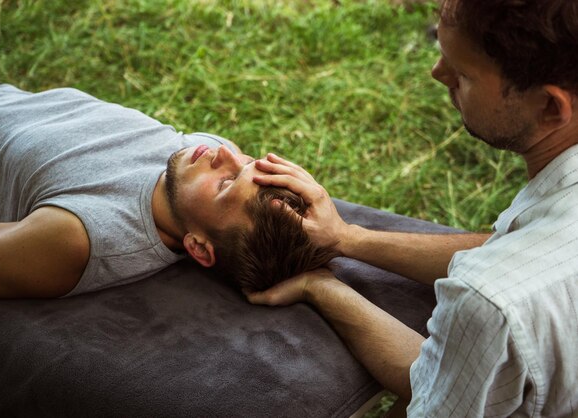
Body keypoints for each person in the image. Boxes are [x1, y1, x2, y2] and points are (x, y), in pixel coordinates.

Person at [246, 0, 578, 416]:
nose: (437, 74)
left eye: (463, 74)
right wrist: (347, 239)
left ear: (550, 107)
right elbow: (518, 247)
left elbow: (433, 392)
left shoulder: (491, 301)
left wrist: (321, 287)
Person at [0, 71, 335, 298]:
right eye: (249, 163)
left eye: (226, 184)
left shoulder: (84, 236)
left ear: (198, 247)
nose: (226, 155)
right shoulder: (205, 157)